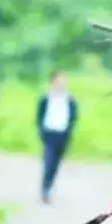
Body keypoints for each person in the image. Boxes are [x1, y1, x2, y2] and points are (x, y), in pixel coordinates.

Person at [36, 71, 78, 203]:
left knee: (56, 164)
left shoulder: (70, 100)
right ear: (53, 82)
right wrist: (41, 131)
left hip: (63, 135)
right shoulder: (45, 98)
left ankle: (49, 186)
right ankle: (45, 188)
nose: (61, 84)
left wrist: (69, 132)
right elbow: (39, 116)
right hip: (49, 133)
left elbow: (73, 117)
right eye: (59, 81)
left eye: (63, 81)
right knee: (48, 161)